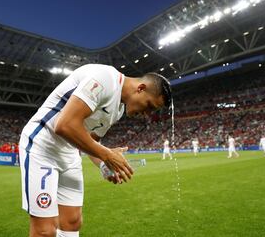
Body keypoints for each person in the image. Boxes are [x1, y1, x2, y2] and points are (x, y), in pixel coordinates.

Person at [19, 64, 172, 237]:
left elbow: (91, 142)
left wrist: (104, 166)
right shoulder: (105, 78)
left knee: (72, 222)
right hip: (43, 146)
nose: (147, 114)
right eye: (149, 106)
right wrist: (107, 155)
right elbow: (64, 125)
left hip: (70, 153)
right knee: (45, 231)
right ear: (140, 88)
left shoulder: (118, 110)